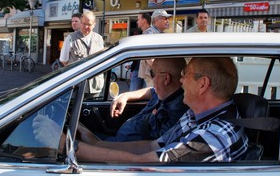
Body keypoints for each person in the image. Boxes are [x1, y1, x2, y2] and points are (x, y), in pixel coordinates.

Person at [75, 57, 248, 163]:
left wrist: (72, 148)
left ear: (202, 84)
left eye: (184, 74)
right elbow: (154, 146)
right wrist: (97, 144)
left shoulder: (212, 138)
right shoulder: (195, 115)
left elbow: (144, 162)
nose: (180, 82)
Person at [107, 58, 188, 141]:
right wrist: (125, 96)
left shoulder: (174, 114)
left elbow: (155, 147)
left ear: (166, 79)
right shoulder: (164, 92)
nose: (151, 78)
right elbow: (150, 90)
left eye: (152, 73)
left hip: (126, 149)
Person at [59, 11, 105, 98]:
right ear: (81, 23)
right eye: (84, 24)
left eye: (89, 24)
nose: (86, 27)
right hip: (77, 85)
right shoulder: (71, 38)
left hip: (95, 85)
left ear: (94, 24)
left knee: (93, 110)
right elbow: (64, 60)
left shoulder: (99, 38)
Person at [139, 9, 171, 87]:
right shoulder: (149, 34)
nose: (168, 21)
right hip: (153, 74)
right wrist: (160, 71)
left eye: (168, 19)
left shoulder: (161, 34)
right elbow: (148, 56)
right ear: (156, 20)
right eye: (165, 19)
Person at [128, 12, 151, 90]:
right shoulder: (143, 34)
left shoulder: (150, 34)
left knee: (137, 95)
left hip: (146, 71)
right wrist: (132, 67)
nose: (137, 22)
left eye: (138, 19)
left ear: (144, 21)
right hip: (138, 69)